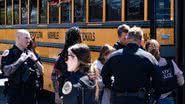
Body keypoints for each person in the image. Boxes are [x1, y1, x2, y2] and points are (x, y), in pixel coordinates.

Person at [101, 26, 161, 104]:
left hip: (118, 99)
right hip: (139, 99)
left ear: (127, 39)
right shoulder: (149, 58)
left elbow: (104, 75)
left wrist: (113, 87)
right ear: (141, 40)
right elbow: (159, 79)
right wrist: (154, 97)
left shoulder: (114, 56)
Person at [1, 29, 44, 104]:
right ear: (18, 38)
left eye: (29, 38)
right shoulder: (9, 53)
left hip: (31, 94)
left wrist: (35, 60)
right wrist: (20, 60)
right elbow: (6, 72)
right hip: (16, 95)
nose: (29, 40)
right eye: (26, 38)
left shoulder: (31, 53)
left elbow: (42, 72)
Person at [145, 39, 184, 104]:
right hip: (167, 98)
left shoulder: (145, 64)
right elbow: (181, 81)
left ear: (146, 50)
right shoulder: (169, 63)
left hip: (151, 99)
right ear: (159, 49)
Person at [51, 27, 82, 104]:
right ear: (79, 38)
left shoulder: (61, 57)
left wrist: (57, 94)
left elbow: (54, 76)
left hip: (66, 90)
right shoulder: (82, 56)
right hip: (79, 92)